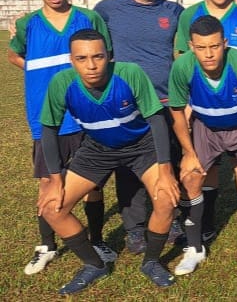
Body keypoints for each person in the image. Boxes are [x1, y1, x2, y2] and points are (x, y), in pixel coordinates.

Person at [38, 30, 179, 293]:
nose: (91, 65)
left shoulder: (130, 73)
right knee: (52, 209)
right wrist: (55, 180)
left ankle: (151, 261)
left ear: (109, 56)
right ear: (71, 59)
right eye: (82, 58)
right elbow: (49, 130)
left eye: (98, 57)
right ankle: (94, 265)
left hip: (142, 147)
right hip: (97, 150)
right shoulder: (61, 83)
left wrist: (165, 170)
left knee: (166, 199)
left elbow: (157, 120)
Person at [8, 0, 116, 276]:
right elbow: (14, 54)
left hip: (85, 117)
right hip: (47, 119)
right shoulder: (29, 24)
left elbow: (107, 57)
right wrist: (36, 72)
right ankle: (47, 246)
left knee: (93, 184)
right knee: (47, 183)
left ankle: (97, 240)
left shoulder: (89, 18)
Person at [168, 16, 237, 275]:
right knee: (190, 176)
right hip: (207, 129)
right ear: (191, 46)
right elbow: (177, 112)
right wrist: (188, 153)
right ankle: (195, 249)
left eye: (214, 46)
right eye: (202, 48)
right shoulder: (182, 67)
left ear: (224, 43)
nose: (209, 54)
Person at [95, 0, 184, 253]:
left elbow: (193, 42)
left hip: (164, 102)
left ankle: (170, 217)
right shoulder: (107, 10)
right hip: (125, 105)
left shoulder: (174, 11)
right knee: (129, 167)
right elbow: (82, 33)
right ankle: (134, 229)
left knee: (168, 161)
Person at [175, 0, 237, 243]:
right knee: (206, 165)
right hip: (205, 104)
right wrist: (189, 102)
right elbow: (181, 57)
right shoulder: (190, 15)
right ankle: (207, 220)